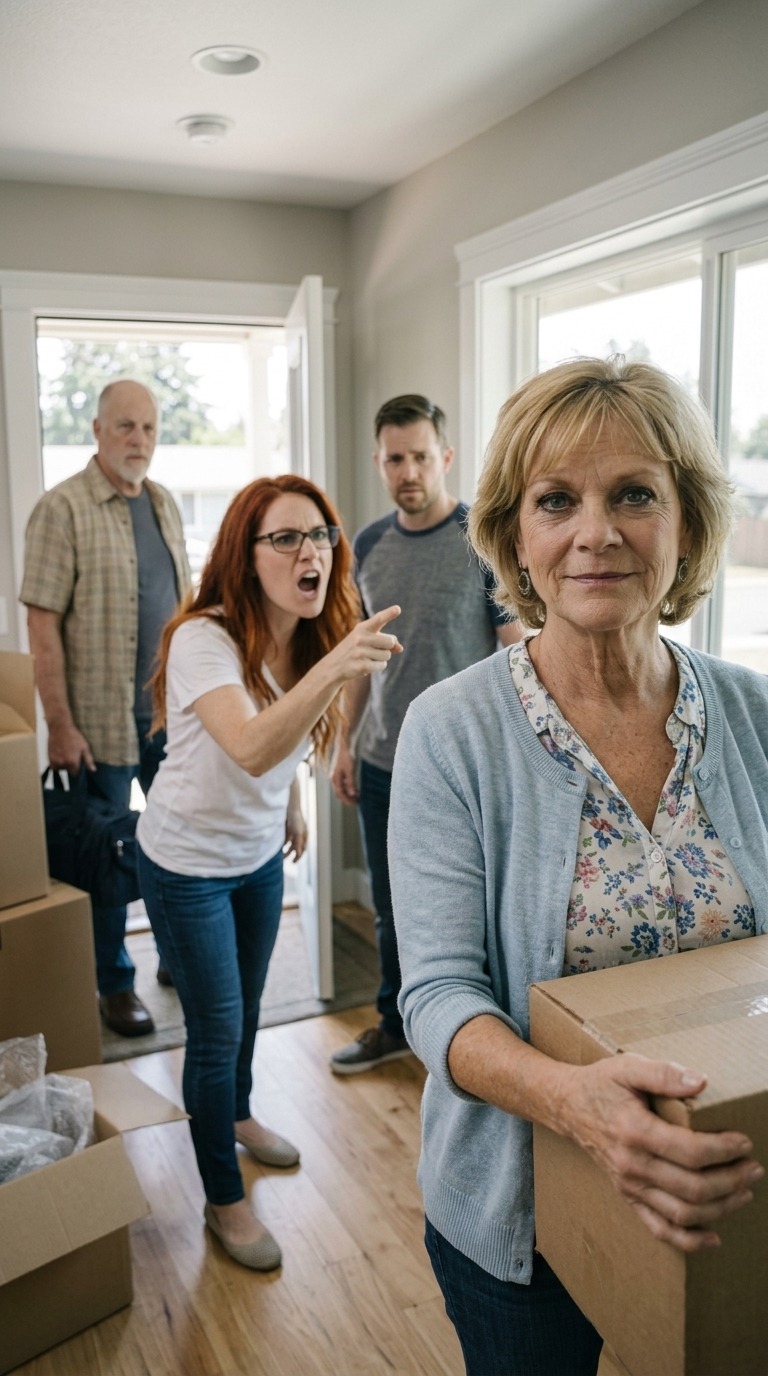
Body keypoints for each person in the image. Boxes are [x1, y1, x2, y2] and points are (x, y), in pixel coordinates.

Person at [388, 357, 768, 1376]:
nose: (596, 531)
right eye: (558, 499)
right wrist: (576, 1102)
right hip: (520, 1221)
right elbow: (433, 992)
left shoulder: (750, 711)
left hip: (722, 1193)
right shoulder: (451, 730)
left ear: (686, 519)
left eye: (634, 493)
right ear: (517, 532)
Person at [136, 474, 402, 1271]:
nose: (308, 550)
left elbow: (277, 740)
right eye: (284, 538)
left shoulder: (307, 635)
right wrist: (336, 673)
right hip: (184, 865)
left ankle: (241, 1116)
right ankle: (224, 1200)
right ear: (246, 557)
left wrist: (290, 799)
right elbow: (249, 740)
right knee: (215, 1032)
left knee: (247, 1008)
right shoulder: (202, 639)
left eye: (318, 534)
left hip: (254, 857)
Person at [330, 394, 520, 1075]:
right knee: (390, 909)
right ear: (379, 463)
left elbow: (516, 651)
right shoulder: (369, 545)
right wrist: (345, 741)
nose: (407, 470)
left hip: (469, 766)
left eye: (419, 456)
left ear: (444, 457)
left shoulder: (482, 541)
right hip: (383, 761)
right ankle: (395, 1023)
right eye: (393, 458)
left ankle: (481, 1040)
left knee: (479, 911)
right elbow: (361, 654)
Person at [20, 379, 190, 1038]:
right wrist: (59, 724)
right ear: (96, 430)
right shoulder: (60, 509)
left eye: (148, 429)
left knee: (176, 844)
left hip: (166, 718)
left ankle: (176, 956)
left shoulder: (167, 505)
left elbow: (186, 611)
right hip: (95, 724)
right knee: (103, 862)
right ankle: (114, 983)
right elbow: (41, 626)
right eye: (125, 427)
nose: (138, 442)